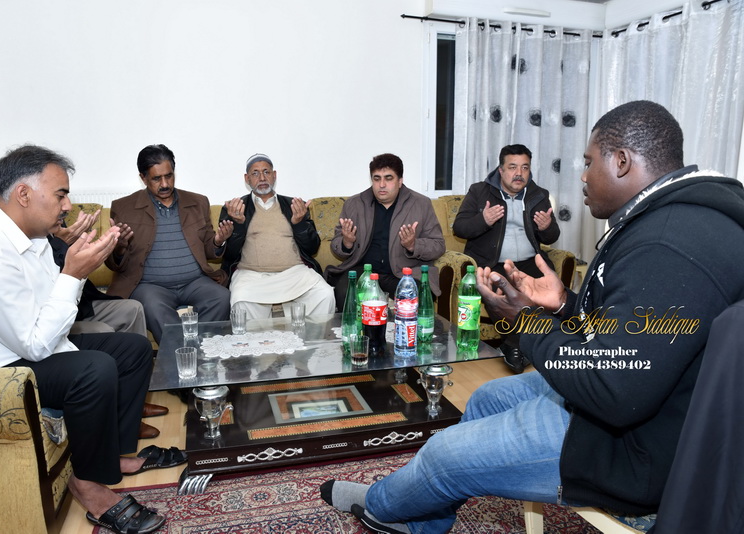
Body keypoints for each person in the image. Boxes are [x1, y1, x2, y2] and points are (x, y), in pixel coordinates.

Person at [319, 101, 744, 534]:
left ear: (621, 162)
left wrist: (527, 321)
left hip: (626, 448)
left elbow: (614, 387)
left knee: (443, 454)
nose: (583, 176)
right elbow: (632, 333)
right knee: (485, 399)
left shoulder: (670, 245)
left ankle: (383, 504)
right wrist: (565, 305)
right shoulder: (665, 221)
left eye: (588, 162)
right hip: (621, 407)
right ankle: (423, 519)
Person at [0, 146, 187, 534]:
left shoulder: (35, 239)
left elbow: (52, 316)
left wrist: (75, 266)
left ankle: (113, 455)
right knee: (94, 368)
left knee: (133, 349)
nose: (68, 205)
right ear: (24, 194)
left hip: (22, 345)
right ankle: (88, 486)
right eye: (60, 195)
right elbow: (35, 344)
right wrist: (73, 273)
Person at [49, 217, 168, 439]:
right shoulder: (26, 236)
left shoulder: (53, 227)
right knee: (101, 330)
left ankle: (134, 401)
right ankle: (117, 410)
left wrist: (68, 243)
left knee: (132, 309)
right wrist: (62, 244)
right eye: (59, 199)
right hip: (57, 312)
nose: (65, 206)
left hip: (82, 302)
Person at [105, 144, 231, 343]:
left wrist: (218, 240)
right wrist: (119, 247)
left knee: (221, 297)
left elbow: (208, 249)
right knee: (153, 307)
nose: (165, 184)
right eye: (157, 178)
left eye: (169, 176)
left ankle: (200, 349)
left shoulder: (198, 202)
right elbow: (114, 264)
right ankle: (180, 353)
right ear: (143, 178)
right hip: (150, 286)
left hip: (194, 282)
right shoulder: (124, 207)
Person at [453, 144, 560, 373]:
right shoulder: (480, 191)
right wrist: (483, 220)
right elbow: (459, 227)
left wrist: (547, 227)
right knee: (499, 293)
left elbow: (552, 236)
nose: (519, 173)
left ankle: (515, 344)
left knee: (552, 291)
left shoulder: (539, 195)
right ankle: (519, 346)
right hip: (493, 263)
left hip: (530, 262)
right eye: (512, 167)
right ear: (501, 170)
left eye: (524, 167)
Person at [219, 153, 335, 319]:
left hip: (294, 274)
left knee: (324, 294)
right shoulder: (235, 208)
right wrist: (238, 224)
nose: (262, 178)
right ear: (247, 178)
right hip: (251, 276)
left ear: (274, 175)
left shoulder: (294, 205)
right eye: (255, 173)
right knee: (240, 301)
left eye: (266, 172)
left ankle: (309, 336)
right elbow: (229, 254)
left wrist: (299, 223)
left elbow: (312, 248)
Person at [325, 153, 445, 309]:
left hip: (404, 273)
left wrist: (413, 245)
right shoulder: (354, 204)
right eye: (377, 179)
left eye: (388, 178)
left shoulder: (421, 204)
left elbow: (438, 245)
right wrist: (346, 243)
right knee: (345, 294)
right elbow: (336, 245)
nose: (382, 185)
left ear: (400, 181)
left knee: (415, 297)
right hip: (364, 272)